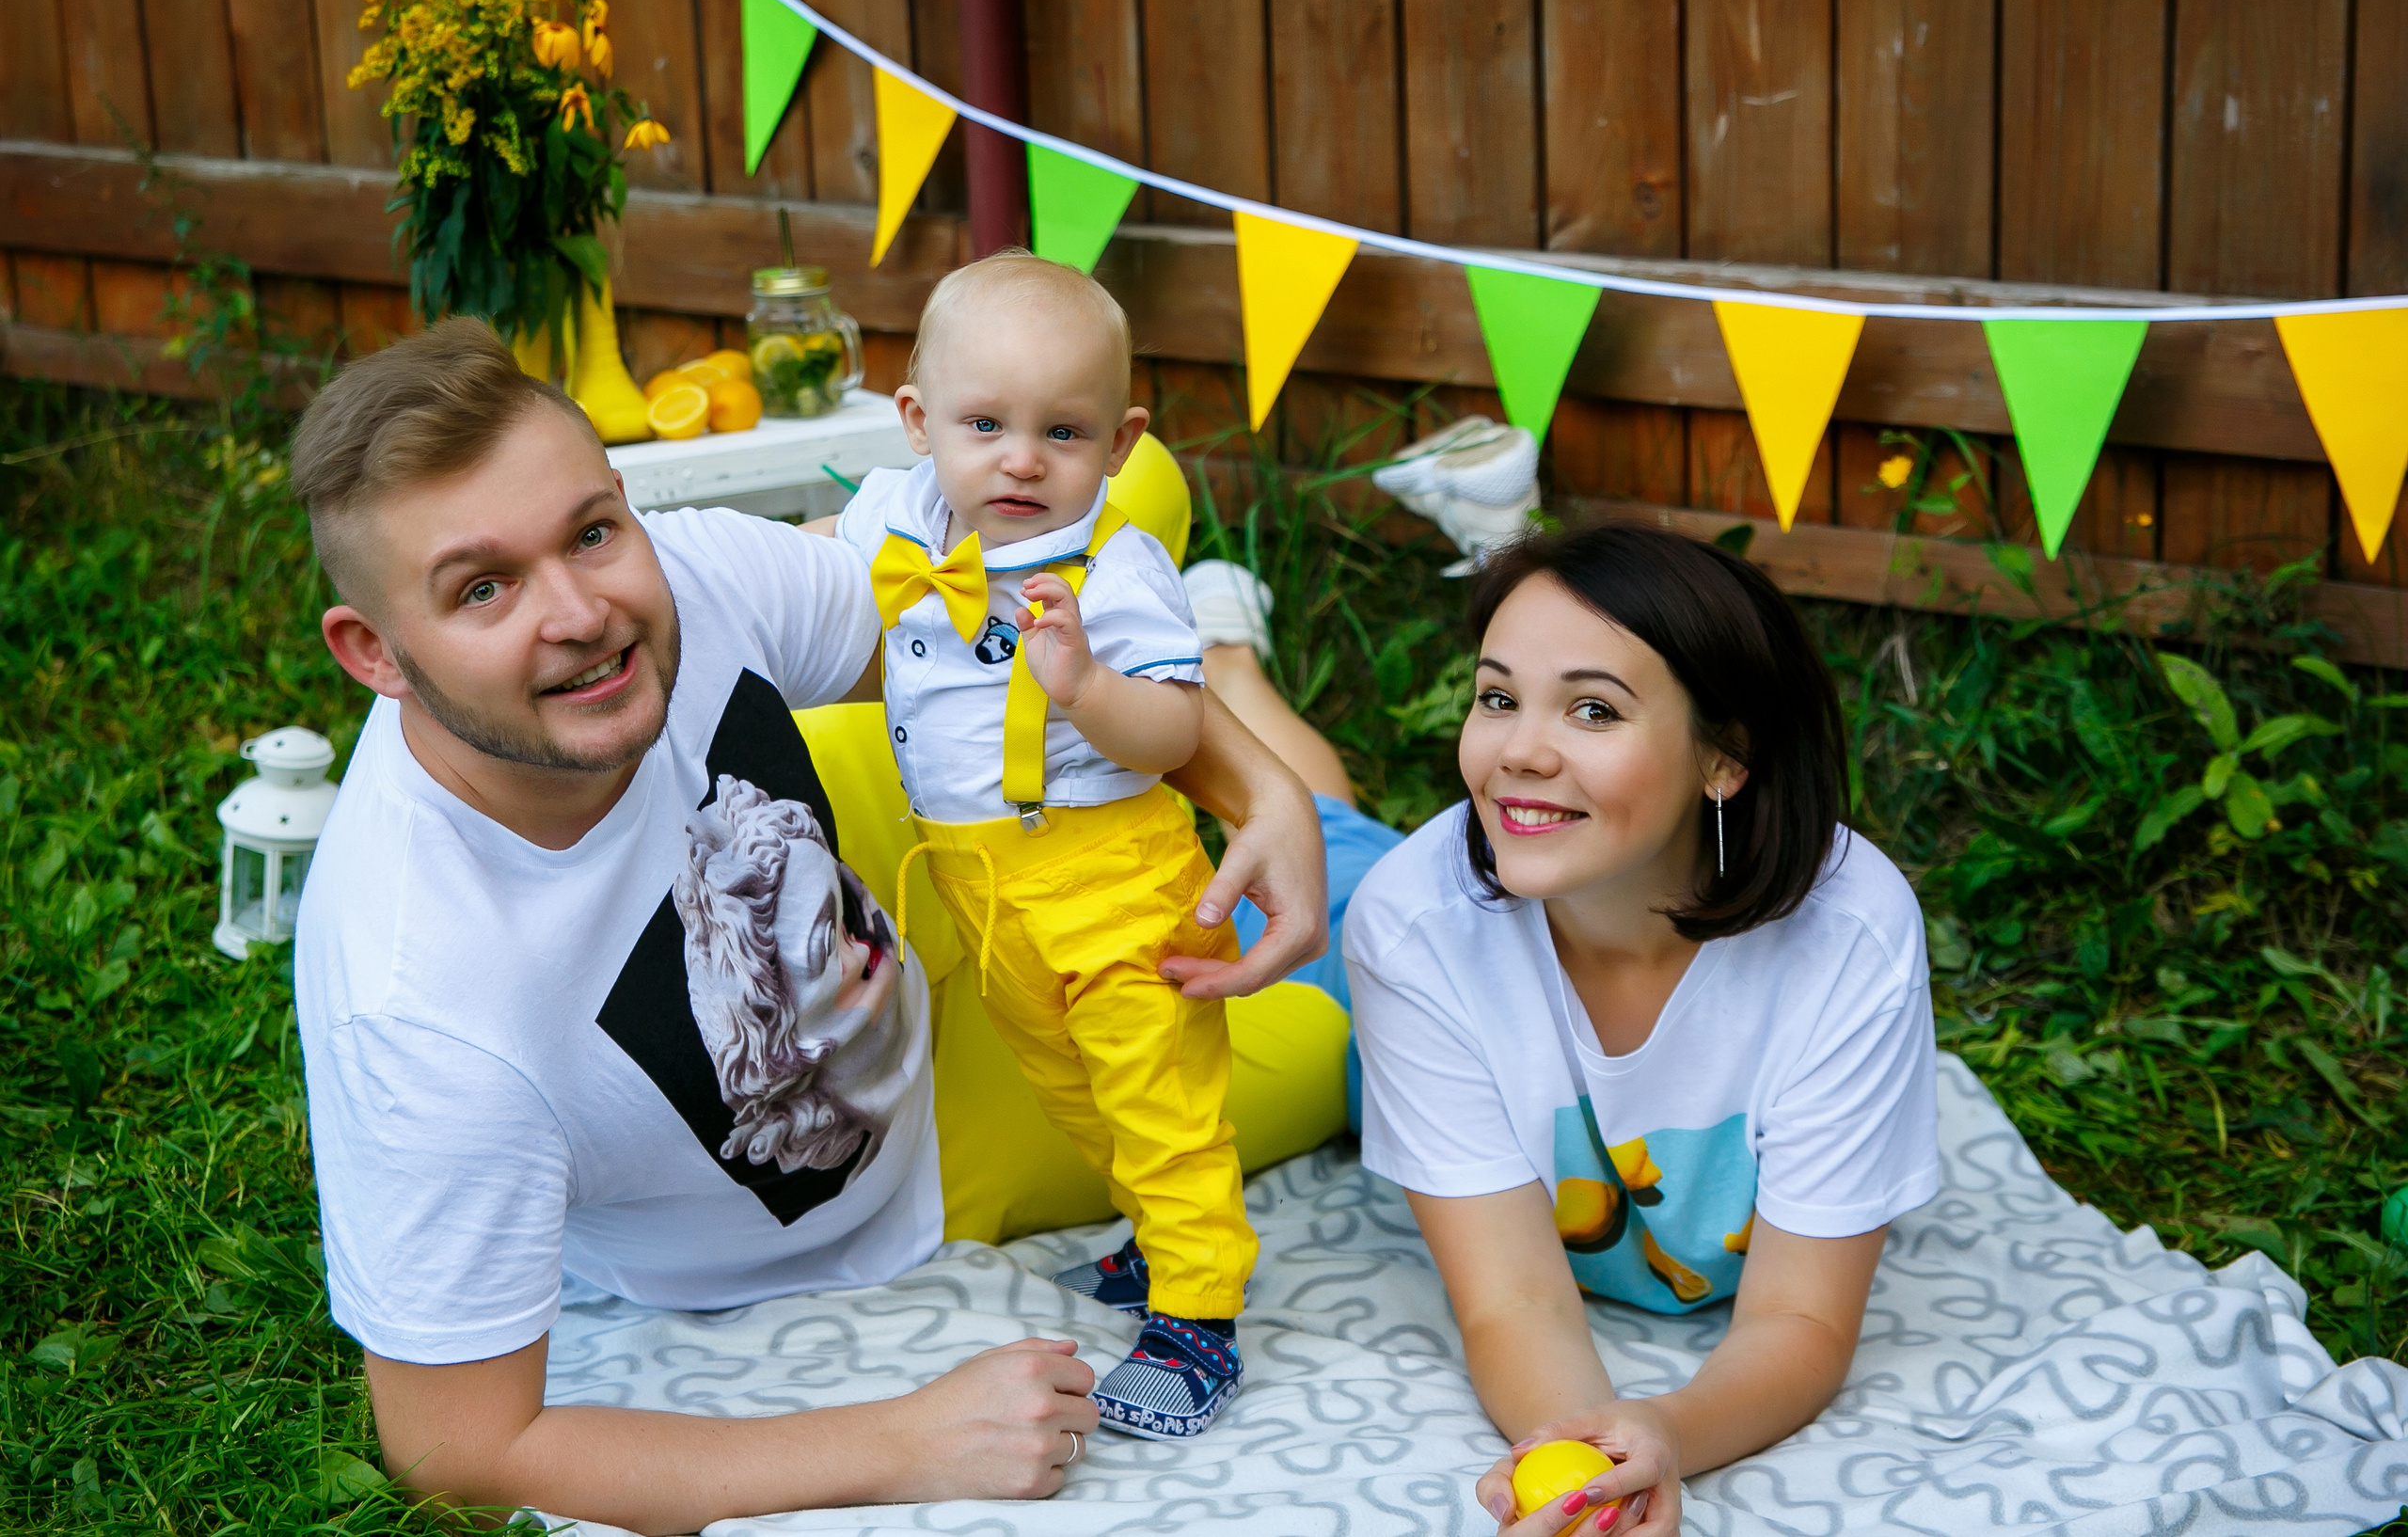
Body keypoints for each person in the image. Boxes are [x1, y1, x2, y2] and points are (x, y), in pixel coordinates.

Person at [286, 316, 1338, 1534]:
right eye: (483, 587)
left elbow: (962, 633)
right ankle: (1231, 652)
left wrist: (1267, 795)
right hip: (918, 1150)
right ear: (374, 653)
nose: (580, 612)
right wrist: (900, 1441)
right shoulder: (419, 1007)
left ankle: (1232, 679)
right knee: (1325, 1043)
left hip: (937, 849)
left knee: (1090, 480)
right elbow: (458, 1450)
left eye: (590, 531)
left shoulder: (686, 574)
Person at [1342, 525, 1940, 1537]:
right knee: (1324, 869)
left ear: (1724, 756)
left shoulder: (1851, 939)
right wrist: (1584, 1471)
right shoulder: (1410, 933)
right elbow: (1513, 1302)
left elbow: (1800, 1316)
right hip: (1347, 983)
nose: (1519, 751)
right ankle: (1234, 661)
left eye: (1593, 709)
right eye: (1498, 698)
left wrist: (1656, 1437)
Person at [829, 252, 1254, 1437]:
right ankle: (1157, 1240)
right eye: (985, 425)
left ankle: (1200, 1314)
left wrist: (1089, 689)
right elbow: (808, 558)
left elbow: (1175, 732)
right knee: (1076, 1094)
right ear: (918, 422)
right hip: (983, 886)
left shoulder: (1113, 566)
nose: (1021, 460)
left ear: (1119, 444)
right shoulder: (899, 516)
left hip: (1111, 877)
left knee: (1158, 1099)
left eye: (1062, 432)